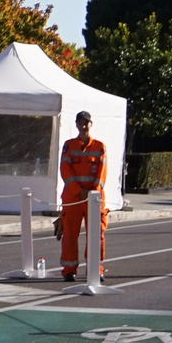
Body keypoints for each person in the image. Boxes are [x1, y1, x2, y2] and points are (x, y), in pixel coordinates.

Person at [59, 110, 109, 281]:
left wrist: (93, 193)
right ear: (76, 125)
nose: (83, 125)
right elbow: (65, 170)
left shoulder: (100, 147)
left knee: (96, 235)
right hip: (73, 198)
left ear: (90, 124)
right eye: (80, 122)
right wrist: (78, 191)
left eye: (86, 122)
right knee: (70, 234)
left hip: (93, 199)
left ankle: (96, 269)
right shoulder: (69, 145)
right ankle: (69, 270)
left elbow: (102, 174)